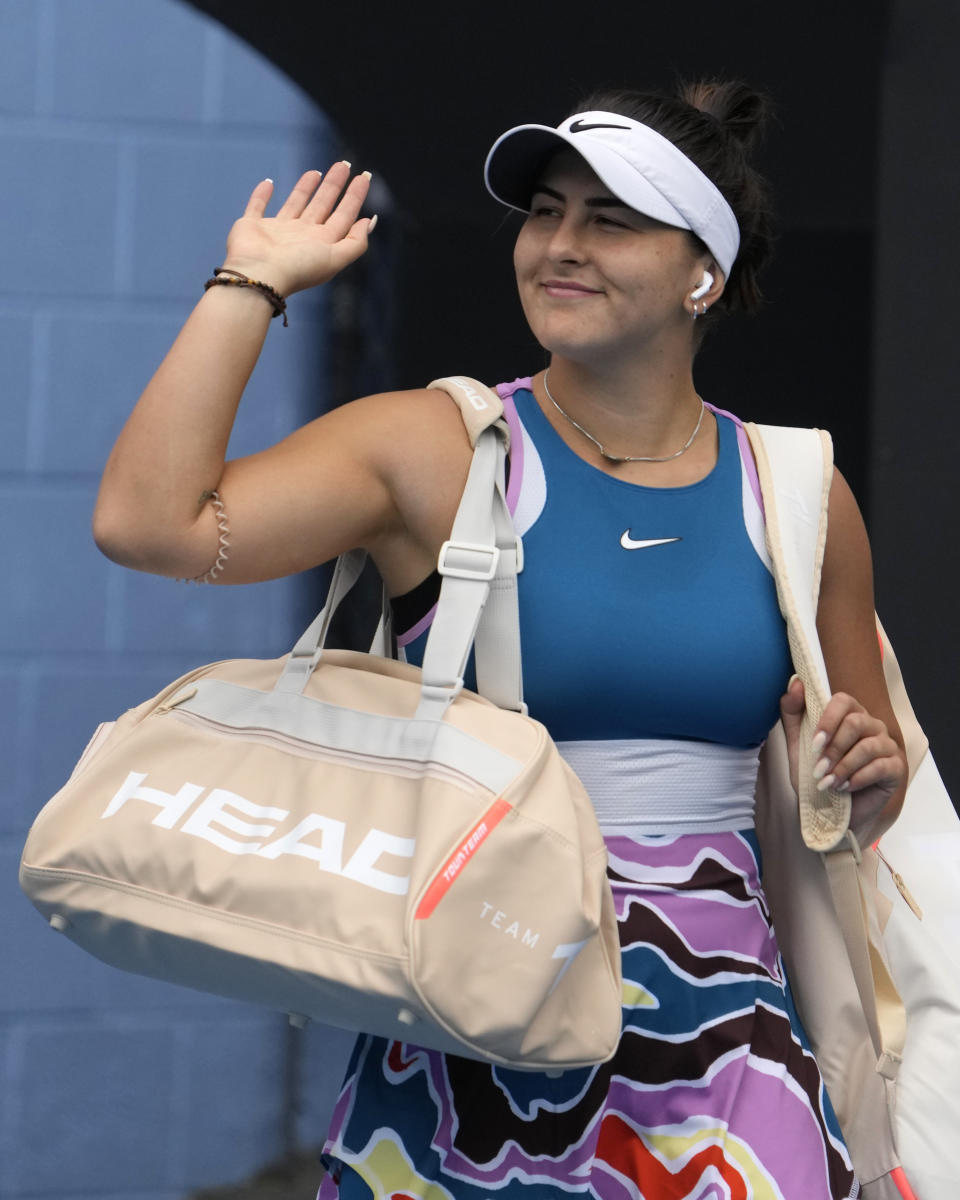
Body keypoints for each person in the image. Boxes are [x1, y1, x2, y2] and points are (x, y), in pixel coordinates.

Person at [94, 80, 907, 1200]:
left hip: (728, 1045)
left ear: (702, 274)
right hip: (465, 1029)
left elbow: (863, 799)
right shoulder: (435, 445)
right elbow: (149, 525)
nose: (560, 245)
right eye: (544, 213)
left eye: (610, 220)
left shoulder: (801, 489)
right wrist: (251, 285)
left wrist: (859, 776)